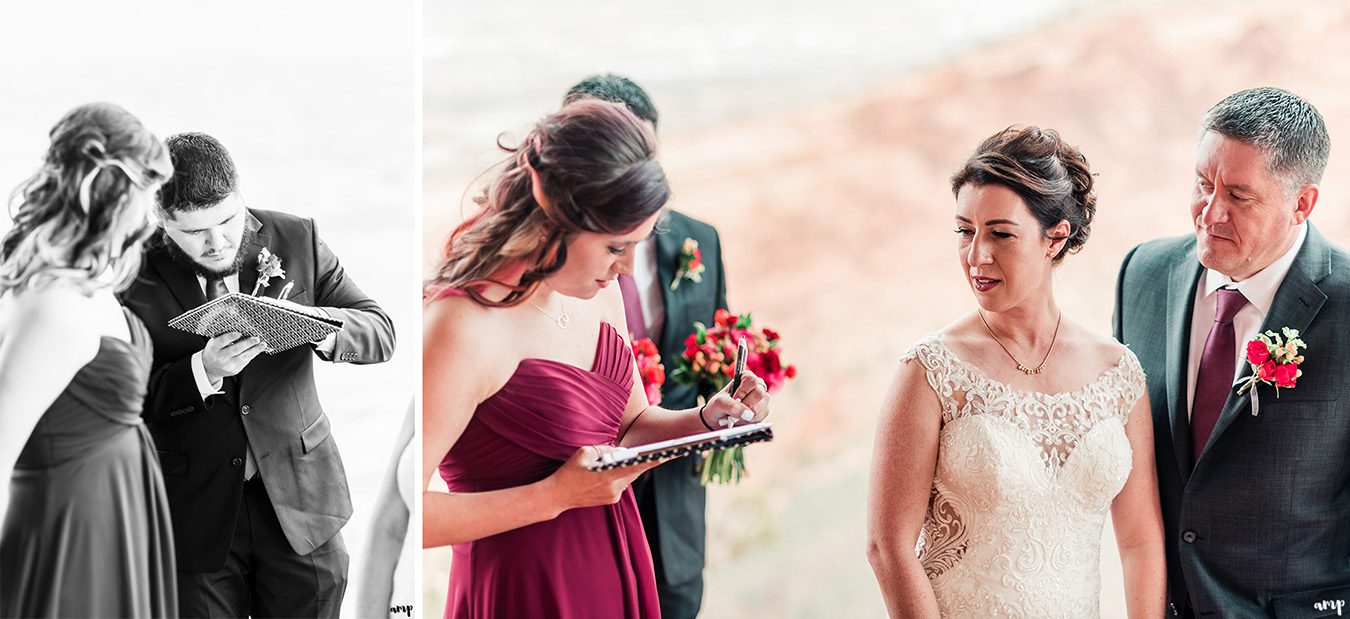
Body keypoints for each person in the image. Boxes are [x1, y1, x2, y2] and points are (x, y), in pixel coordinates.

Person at [422, 98, 771, 619]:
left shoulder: (597, 294)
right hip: (523, 589)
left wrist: (705, 420)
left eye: (638, 246)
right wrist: (553, 496)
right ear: (557, 221)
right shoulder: (463, 325)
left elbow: (628, 427)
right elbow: (406, 515)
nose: (628, 269)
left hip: (615, 565)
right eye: (614, 248)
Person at [867, 126, 1166, 617]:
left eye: (1001, 234)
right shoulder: (931, 370)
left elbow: (1140, 541)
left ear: (1055, 238)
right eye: (965, 231)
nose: (976, 256)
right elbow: (887, 547)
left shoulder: (1118, 372)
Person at [120, 132, 396, 618]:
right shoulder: (127, 272)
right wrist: (200, 371)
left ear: (240, 194)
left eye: (227, 219)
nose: (217, 241)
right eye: (195, 232)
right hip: (191, 518)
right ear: (160, 220)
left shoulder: (297, 237)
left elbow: (380, 332)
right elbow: (116, 400)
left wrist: (318, 327)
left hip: (302, 503)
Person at [1114, 87, 1350, 617]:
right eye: (1203, 184)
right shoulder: (1141, 276)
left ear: (1302, 204)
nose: (1210, 212)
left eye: (1239, 196)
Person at [0, 102, 176, 617]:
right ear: (112, 190)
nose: (149, 213)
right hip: (71, 526)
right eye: (145, 192)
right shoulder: (54, 304)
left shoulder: (88, 281)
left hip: (115, 507)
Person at [563, 73, 729, 619]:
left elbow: (713, 339)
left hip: (676, 506)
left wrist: (722, 408)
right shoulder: (547, 276)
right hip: (577, 511)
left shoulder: (697, 240)